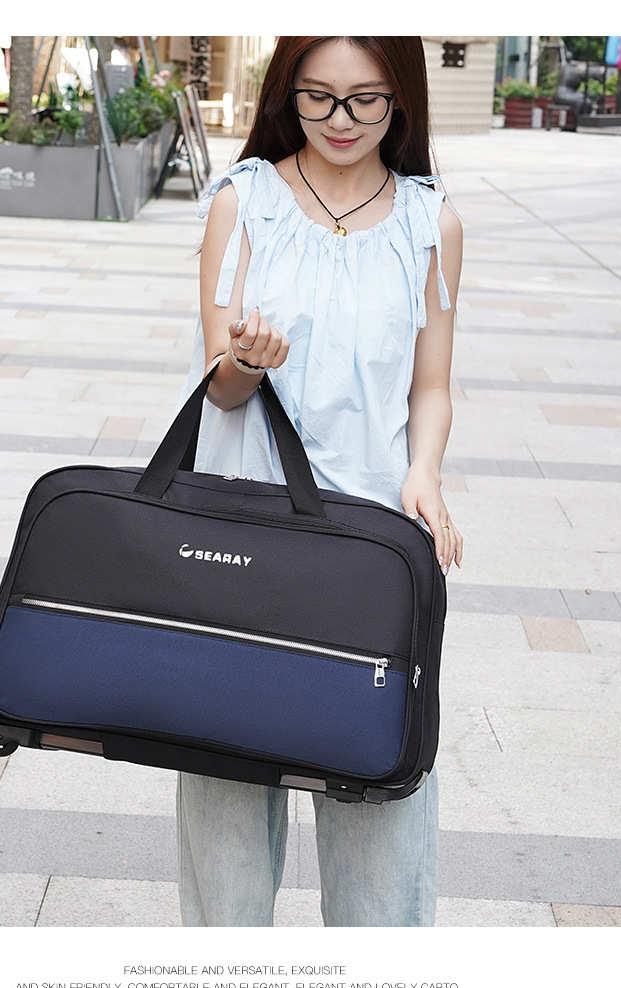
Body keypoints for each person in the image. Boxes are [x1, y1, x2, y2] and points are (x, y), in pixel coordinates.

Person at [175, 36, 463, 927]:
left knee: (380, 808)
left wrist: (424, 474)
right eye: (318, 96)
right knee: (226, 810)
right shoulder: (244, 203)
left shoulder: (430, 222)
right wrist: (246, 362)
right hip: (244, 535)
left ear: (401, 98)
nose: (341, 120)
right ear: (286, 94)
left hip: (369, 547)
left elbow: (431, 385)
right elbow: (219, 382)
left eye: (366, 98)